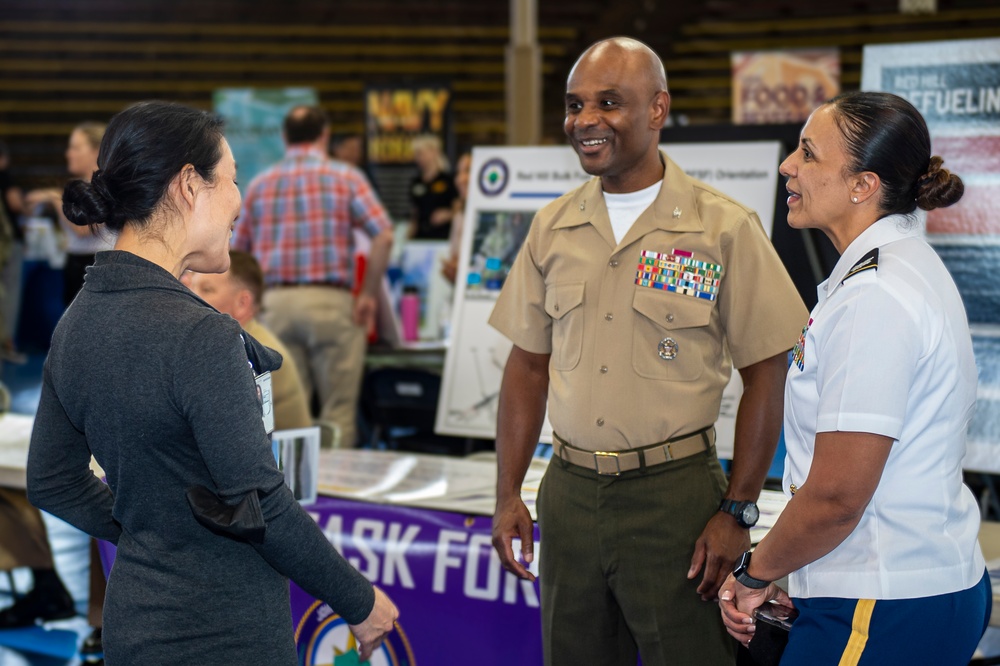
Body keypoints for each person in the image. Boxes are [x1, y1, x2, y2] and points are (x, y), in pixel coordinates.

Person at [27, 100, 397, 664]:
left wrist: (148, 529)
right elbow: (262, 502)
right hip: (224, 629)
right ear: (188, 186)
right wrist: (359, 600)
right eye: (231, 180)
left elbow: (51, 480)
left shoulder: (77, 321)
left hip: (135, 624)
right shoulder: (200, 334)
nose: (239, 201)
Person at [489, 37, 808, 665]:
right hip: (570, 495)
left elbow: (768, 374)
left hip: (676, 502)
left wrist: (738, 509)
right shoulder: (551, 227)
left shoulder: (723, 227)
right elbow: (527, 366)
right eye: (574, 104)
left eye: (609, 102)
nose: (585, 121)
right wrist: (507, 496)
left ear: (658, 108)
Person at [719, 91, 991, 665]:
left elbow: (838, 497)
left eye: (809, 154)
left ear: (863, 185)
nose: (787, 166)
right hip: (898, 588)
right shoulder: (895, 271)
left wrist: (756, 570)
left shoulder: (875, 297)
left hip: (880, 599)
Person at [233, 105, 394, 449]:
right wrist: (367, 295)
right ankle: (336, 496)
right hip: (331, 303)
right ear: (325, 134)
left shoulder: (261, 183)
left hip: (275, 305)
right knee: (338, 413)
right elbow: (384, 234)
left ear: (284, 137)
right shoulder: (347, 177)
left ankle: (290, 497)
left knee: (285, 414)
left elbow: (238, 253)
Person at [185, 250, 313, 432]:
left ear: (242, 303)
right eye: (190, 287)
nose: (191, 297)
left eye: (207, 290)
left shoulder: (256, 353)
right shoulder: (239, 341)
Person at [26, 122, 115, 306]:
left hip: (94, 263)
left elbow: (84, 228)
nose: (68, 153)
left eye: (75, 147)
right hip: (77, 262)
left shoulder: (102, 185)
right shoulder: (81, 185)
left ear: (95, 150)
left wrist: (56, 198)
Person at [408, 134, 457, 240]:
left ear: (434, 152)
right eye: (416, 154)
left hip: (442, 237)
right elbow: (415, 213)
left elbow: (458, 209)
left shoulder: (448, 180)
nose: (418, 158)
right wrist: (408, 237)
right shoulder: (416, 182)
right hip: (420, 238)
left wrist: (448, 215)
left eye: (421, 153)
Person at [441, 151, 470, 284]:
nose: (460, 180)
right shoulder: (459, 216)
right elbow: (454, 259)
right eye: (459, 173)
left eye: (468, 171)